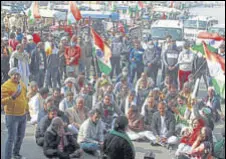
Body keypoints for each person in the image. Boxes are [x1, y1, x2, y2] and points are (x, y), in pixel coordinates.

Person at [1, 67, 28, 159]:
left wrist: (27, 109)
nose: (16, 76)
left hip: (23, 115)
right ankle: (7, 157)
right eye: (14, 75)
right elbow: (2, 101)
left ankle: (16, 154)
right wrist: (12, 97)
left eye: (18, 74)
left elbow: (25, 98)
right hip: (12, 116)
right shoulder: (5, 86)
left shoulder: (22, 84)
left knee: (20, 137)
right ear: (11, 76)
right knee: (11, 138)